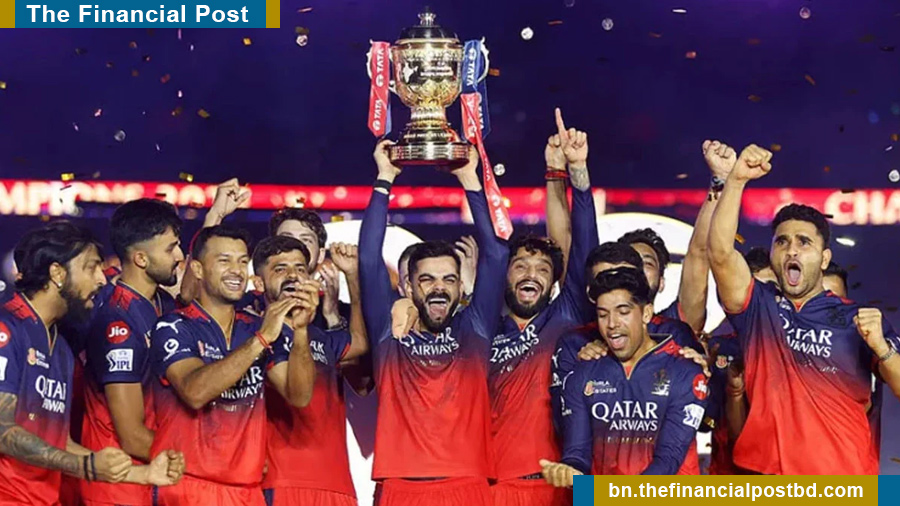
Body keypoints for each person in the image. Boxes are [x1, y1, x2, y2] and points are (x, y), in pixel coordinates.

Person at [708, 144, 900, 474]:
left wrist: (882, 349)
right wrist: (736, 180)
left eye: (804, 242)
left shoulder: (856, 319)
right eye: (782, 241)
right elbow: (721, 254)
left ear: (824, 260)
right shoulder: (758, 308)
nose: (791, 250)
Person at [359, 141, 508, 506]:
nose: (439, 288)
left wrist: (469, 179)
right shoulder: (389, 331)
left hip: (467, 484)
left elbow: (496, 253)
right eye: (427, 280)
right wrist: (384, 178)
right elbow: (368, 258)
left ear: (461, 287)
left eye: (448, 280)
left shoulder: (475, 329)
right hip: (401, 486)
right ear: (409, 286)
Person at [0, 221, 184, 505]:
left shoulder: (61, 348)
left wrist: (142, 474)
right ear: (57, 273)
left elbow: (59, 441)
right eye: (91, 267)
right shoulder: (7, 329)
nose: (101, 279)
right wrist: (85, 466)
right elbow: (2, 430)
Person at [149, 225, 320, 505]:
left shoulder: (254, 326)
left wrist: (301, 332)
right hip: (187, 487)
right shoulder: (174, 325)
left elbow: (299, 395)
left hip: (247, 491)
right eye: (224, 261)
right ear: (198, 269)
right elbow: (194, 392)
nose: (237, 271)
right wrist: (260, 340)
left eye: (242, 262)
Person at [489, 109, 596, 506]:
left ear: (554, 282)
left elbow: (583, 248)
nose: (530, 274)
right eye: (520, 266)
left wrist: (575, 172)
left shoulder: (564, 319)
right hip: (494, 487)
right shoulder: (481, 330)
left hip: (558, 486)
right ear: (505, 275)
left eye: (542, 269)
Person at [540, 268, 707, 485]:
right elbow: (577, 453)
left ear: (646, 314)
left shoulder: (685, 370)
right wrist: (569, 472)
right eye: (603, 315)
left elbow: (668, 461)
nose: (612, 324)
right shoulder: (582, 372)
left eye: (623, 312)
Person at [79, 199, 185, 506]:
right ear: (140, 258)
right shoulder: (118, 323)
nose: (180, 256)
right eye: (171, 248)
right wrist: (210, 459)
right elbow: (132, 436)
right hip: (117, 488)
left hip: (152, 480)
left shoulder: (161, 303)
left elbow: (197, 280)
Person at [257, 237, 368, 506]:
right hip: (283, 483)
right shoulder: (254, 335)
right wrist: (300, 331)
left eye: (300, 268)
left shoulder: (320, 335)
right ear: (259, 283)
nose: (293, 275)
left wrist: (352, 277)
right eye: (280, 269)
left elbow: (359, 343)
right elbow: (297, 395)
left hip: (337, 486)